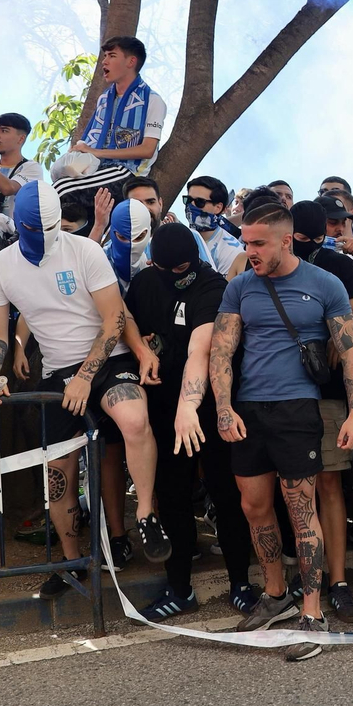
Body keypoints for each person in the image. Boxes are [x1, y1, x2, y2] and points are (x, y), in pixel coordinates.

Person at [0, 181, 172, 598]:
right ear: (18, 222)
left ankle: (147, 514)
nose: (45, 236)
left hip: (107, 359)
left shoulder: (85, 250)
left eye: (51, 227)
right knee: (57, 471)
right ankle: (69, 561)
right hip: (57, 370)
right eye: (35, 227)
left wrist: (86, 375)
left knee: (135, 420)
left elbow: (114, 318)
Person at [209, 203, 353, 662]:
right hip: (249, 411)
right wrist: (222, 408)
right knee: (254, 506)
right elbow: (221, 352)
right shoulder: (240, 286)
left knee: (301, 511)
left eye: (258, 242)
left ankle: (312, 614)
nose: (249, 250)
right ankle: (276, 594)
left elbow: (351, 354)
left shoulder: (325, 285)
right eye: (245, 242)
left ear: (286, 239)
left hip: (298, 410)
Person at [123, 224, 255, 619]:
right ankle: (179, 588)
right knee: (173, 496)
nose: (178, 275)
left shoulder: (213, 286)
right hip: (163, 408)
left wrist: (189, 408)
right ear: (153, 262)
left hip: (209, 408)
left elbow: (202, 349)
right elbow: (128, 323)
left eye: (185, 267)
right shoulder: (146, 281)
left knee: (227, 496)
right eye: (170, 268)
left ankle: (241, 583)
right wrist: (142, 349)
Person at [287, 198, 353, 624]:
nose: (311, 243)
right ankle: (316, 579)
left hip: (328, 394)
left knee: (328, 488)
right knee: (304, 491)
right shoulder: (266, 265)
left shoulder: (340, 266)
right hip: (288, 395)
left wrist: (340, 340)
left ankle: (335, 581)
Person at [74, 37, 166, 175]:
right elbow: (91, 137)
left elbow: (147, 150)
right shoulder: (104, 99)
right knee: (57, 184)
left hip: (129, 172)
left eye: (112, 56)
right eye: (105, 56)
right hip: (95, 169)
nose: (104, 61)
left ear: (131, 61)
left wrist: (96, 152)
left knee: (66, 190)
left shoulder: (152, 100)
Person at [0, 114, 42, 218]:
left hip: (15, 232)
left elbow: (9, 188)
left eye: (4, 131)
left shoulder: (31, 168)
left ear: (21, 139)